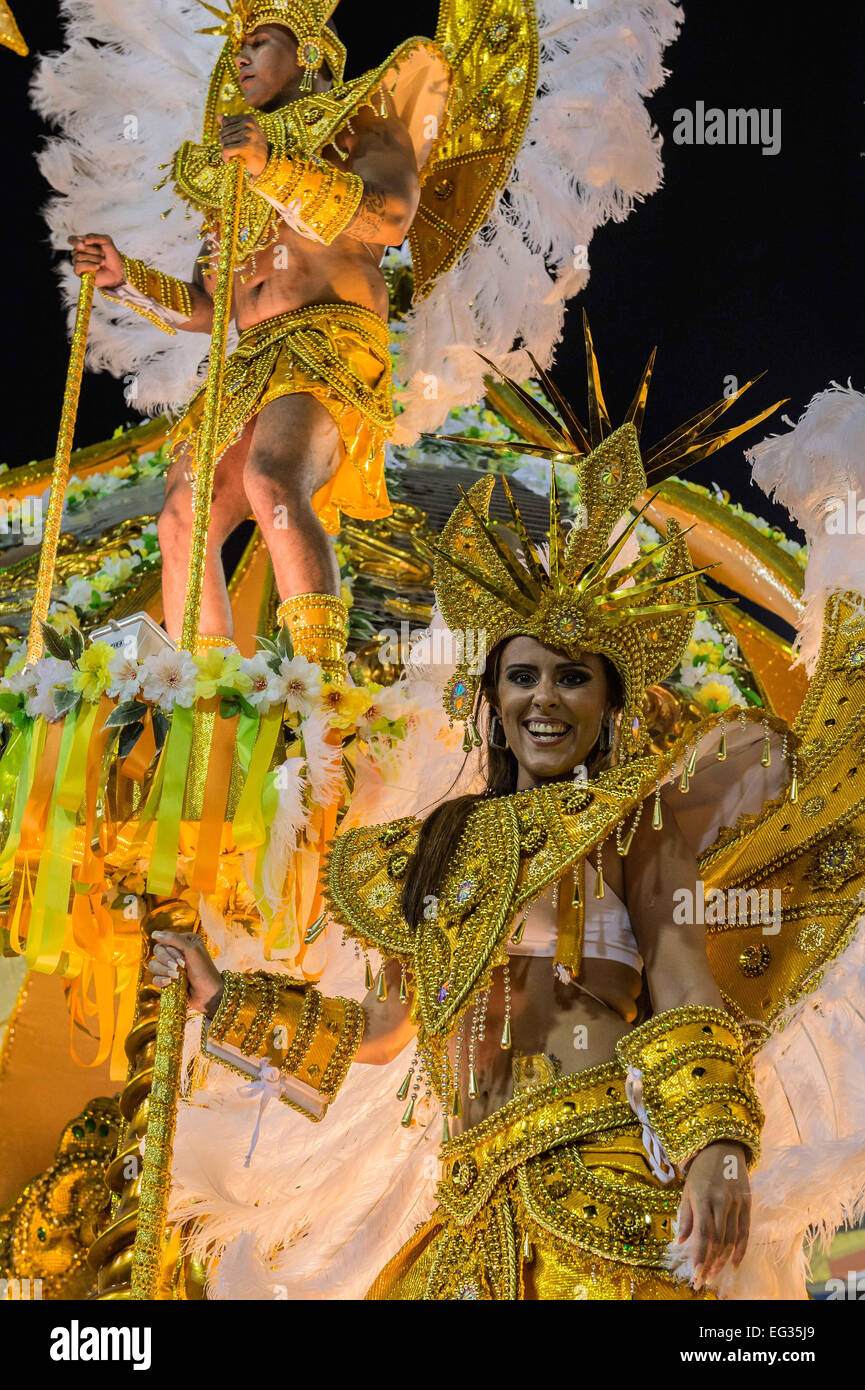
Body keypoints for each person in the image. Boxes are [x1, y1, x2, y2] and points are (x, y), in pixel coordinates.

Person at [147, 343, 778, 1299]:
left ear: (608, 704)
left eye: (574, 678)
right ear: (491, 698)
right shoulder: (431, 844)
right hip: (471, 1205)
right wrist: (220, 998)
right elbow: (390, 1026)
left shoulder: (633, 823)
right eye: (523, 675)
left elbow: (686, 988)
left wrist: (717, 1151)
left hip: (600, 1185)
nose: (546, 700)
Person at [69, 0, 451, 671]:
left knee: (272, 480)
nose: (239, 58)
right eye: (237, 48)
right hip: (250, 357)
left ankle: (320, 696)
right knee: (182, 517)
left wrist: (273, 166)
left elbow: (387, 220)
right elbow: (205, 304)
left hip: (329, 338)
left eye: (261, 43)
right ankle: (207, 697)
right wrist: (126, 278)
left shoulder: (362, 123)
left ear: (308, 53)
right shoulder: (231, 169)